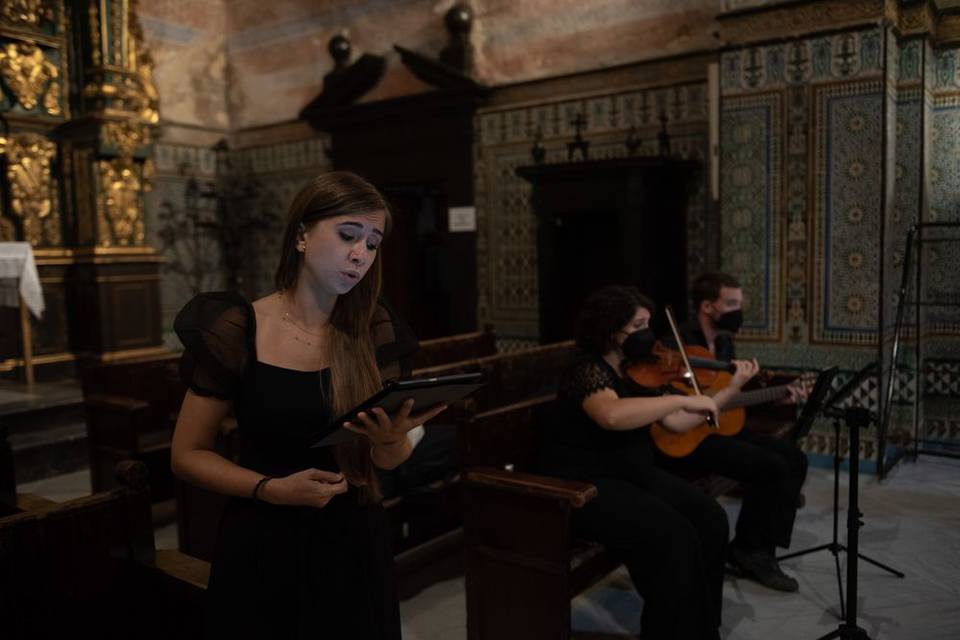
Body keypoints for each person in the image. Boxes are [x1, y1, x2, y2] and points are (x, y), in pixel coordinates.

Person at [170, 171, 446, 639]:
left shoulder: (373, 328)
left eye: (373, 243)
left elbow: (387, 460)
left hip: (353, 538)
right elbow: (187, 454)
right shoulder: (237, 327)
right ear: (301, 235)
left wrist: (392, 440)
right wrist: (271, 489)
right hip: (263, 536)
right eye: (347, 236)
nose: (361, 255)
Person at [538, 285, 729, 640]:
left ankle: (703, 626)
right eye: (638, 325)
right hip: (588, 483)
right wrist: (676, 403)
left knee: (710, 519)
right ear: (611, 331)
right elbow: (610, 415)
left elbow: (675, 424)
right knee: (675, 537)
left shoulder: (638, 370)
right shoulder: (586, 370)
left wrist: (714, 400)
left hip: (632, 474)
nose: (647, 334)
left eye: (648, 324)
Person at [657, 271, 809, 592]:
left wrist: (779, 395)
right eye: (732, 303)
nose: (738, 310)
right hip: (690, 435)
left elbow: (728, 398)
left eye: (740, 303)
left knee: (793, 458)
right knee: (769, 467)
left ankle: (759, 547)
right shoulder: (677, 344)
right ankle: (750, 552)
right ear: (708, 307)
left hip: (719, 428)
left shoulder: (725, 341)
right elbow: (673, 400)